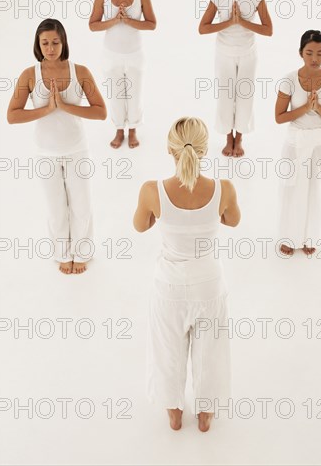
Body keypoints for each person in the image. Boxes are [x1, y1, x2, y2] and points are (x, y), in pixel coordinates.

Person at [133, 117, 240, 431]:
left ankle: (174, 412)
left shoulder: (152, 191)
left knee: (168, 350)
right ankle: (206, 415)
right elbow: (232, 221)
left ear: (170, 149)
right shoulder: (225, 189)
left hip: (170, 288)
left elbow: (140, 225)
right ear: (204, 149)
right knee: (211, 351)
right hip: (209, 284)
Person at [7, 18, 107, 274]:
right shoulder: (29, 75)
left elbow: (101, 112)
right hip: (46, 153)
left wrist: (64, 106)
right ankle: (63, 253)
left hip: (77, 150)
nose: (50, 48)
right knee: (56, 208)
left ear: (63, 42)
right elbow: (13, 115)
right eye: (45, 43)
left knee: (82, 205)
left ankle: (82, 253)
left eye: (55, 42)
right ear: (37, 45)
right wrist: (47, 109)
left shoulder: (80, 72)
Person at [275, 30, 321, 256]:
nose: (315, 58)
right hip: (295, 142)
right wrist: (305, 108)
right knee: (292, 189)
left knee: (316, 189)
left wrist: (318, 108)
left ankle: (310, 236)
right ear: (300, 53)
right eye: (310, 53)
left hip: (318, 143)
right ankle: (288, 237)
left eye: (320, 53)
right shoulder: (288, 79)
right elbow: (279, 117)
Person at [199, 0, 272, 157]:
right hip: (224, 53)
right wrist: (229, 22)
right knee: (225, 96)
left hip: (248, 53)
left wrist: (242, 22)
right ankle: (228, 138)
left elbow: (268, 30)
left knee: (244, 95)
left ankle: (239, 138)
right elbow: (203, 28)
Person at [89, 0, 156, 149]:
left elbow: (152, 24)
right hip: (111, 55)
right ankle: (119, 129)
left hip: (135, 54)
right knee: (116, 94)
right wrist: (114, 21)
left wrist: (129, 21)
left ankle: (133, 129)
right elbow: (93, 25)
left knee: (135, 93)